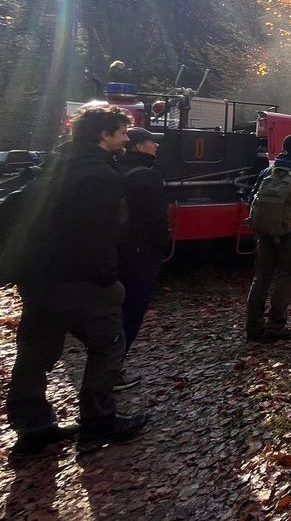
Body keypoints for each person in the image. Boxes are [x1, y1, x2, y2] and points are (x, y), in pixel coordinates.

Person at [5, 105, 149, 464]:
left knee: (34, 354)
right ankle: (99, 421)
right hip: (81, 279)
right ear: (103, 136)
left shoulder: (55, 165)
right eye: (121, 131)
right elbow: (100, 235)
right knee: (109, 344)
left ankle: (32, 429)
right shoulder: (99, 175)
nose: (126, 137)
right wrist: (108, 279)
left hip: (37, 279)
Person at [245, 134, 291, 342]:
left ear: (283, 149)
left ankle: (253, 328)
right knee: (286, 278)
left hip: (265, 234)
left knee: (261, 279)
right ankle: (275, 328)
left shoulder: (268, 171)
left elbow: (252, 199)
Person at [114, 127, 169, 391]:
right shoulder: (146, 177)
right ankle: (111, 371)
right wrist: (161, 247)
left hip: (115, 251)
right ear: (138, 146)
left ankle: (108, 368)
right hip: (140, 253)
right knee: (132, 309)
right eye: (151, 142)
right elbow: (157, 220)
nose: (156, 146)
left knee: (115, 308)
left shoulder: (114, 168)